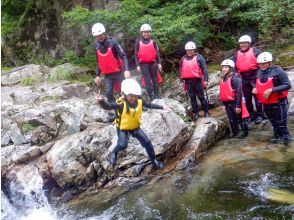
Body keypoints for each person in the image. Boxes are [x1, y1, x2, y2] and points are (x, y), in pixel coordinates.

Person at [95, 78, 165, 169]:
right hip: (123, 128)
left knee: (147, 143)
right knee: (123, 145)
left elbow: (149, 105)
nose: (133, 98)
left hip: (135, 127)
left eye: (135, 96)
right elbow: (108, 106)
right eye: (130, 96)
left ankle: (154, 161)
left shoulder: (139, 101)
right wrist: (101, 101)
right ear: (124, 94)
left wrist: (162, 107)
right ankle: (114, 152)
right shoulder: (121, 103)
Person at [253, 52, 292, 145]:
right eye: (260, 64)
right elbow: (258, 84)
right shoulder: (259, 72)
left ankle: (287, 141)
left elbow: (287, 85)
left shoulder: (278, 71)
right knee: (273, 123)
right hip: (266, 103)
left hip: (279, 103)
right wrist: (255, 89)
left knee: (281, 124)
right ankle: (277, 138)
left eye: (264, 63)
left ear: (270, 62)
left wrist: (272, 89)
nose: (262, 65)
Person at [92, 23, 131, 104]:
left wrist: (126, 70)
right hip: (108, 75)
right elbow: (99, 62)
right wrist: (97, 75)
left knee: (128, 90)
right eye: (97, 36)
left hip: (119, 72)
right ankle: (116, 110)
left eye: (100, 35)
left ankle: (133, 105)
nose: (99, 37)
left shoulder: (113, 42)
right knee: (108, 93)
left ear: (104, 33)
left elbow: (123, 56)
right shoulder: (96, 46)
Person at [232, 35, 264, 124]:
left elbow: (262, 64)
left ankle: (260, 114)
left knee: (257, 97)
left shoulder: (255, 51)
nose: (243, 45)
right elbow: (233, 65)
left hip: (255, 76)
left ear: (249, 43)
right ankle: (251, 115)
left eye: (245, 43)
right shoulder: (237, 53)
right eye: (241, 43)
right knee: (247, 98)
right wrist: (235, 74)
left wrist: (259, 77)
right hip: (243, 78)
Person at [179, 41, 209, 121]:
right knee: (192, 99)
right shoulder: (183, 59)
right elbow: (180, 70)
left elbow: (204, 69)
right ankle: (196, 113)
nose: (189, 51)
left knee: (201, 97)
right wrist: (181, 81)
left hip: (198, 81)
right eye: (188, 50)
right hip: (188, 82)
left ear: (194, 50)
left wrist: (206, 80)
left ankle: (206, 112)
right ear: (186, 50)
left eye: (191, 50)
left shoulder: (199, 57)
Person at [219, 59, 249, 138]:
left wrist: (238, 106)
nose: (224, 69)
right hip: (227, 103)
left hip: (236, 102)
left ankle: (245, 133)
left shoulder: (235, 78)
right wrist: (222, 104)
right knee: (231, 119)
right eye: (223, 67)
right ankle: (235, 132)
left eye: (226, 67)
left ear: (231, 68)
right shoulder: (223, 78)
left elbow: (239, 92)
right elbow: (222, 92)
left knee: (241, 119)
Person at [135, 24, 163, 101]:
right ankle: (150, 97)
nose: (146, 33)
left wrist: (159, 63)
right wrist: (137, 65)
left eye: (147, 32)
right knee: (147, 81)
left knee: (154, 79)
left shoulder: (153, 41)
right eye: (144, 32)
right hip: (143, 64)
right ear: (141, 32)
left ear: (150, 32)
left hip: (153, 63)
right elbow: (135, 53)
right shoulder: (138, 41)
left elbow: (157, 52)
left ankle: (156, 95)